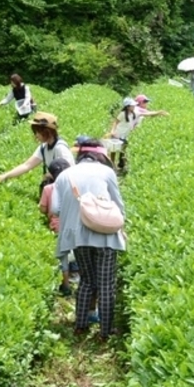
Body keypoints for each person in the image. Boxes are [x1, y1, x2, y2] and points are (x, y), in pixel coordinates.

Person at [50, 138, 125, 338]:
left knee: (87, 280)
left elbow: (54, 209)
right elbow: (118, 205)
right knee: (106, 283)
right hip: (105, 234)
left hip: (78, 237)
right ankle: (105, 331)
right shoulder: (107, 172)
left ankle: (80, 325)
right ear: (100, 155)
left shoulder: (64, 176)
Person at [38, 158, 79, 296]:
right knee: (76, 252)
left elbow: (43, 209)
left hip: (57, 226)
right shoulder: (74, 186)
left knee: (63, 257)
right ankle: (78, 278)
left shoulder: (48, 188)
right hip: (74, 225)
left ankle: (66, 285)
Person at [0, 112, 74, 183]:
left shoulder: (60, 148)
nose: (36, 135)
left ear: (47, 132)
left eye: (37, 132)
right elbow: (27, 165)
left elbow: (71, 172)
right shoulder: (44, 148)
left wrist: (50, 175)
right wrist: (6, 176)